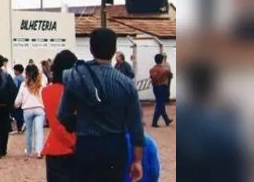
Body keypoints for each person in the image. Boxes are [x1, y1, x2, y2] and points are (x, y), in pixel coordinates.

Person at [58, 28, 145, 182]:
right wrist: (137, 160)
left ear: (91, 49)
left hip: (86, 144)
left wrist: (79, 126)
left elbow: (63, 114)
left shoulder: (75, 77)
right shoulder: (126, 84)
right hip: (115, 145)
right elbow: (136, 126)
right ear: (114, 50)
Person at [42, 50, 78, 182]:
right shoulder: (76, 90)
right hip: (75, 147)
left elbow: (55, 123)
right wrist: (74, 143)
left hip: (55, 148)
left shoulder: (46, 91)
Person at [14, 64, 46, 158]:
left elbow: (18, 99)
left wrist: (16, 105)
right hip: (39, 109)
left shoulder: (24, 84)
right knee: (39, 130)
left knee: (29, 131)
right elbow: (45, 96)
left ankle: (29, 151)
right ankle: (39, 151)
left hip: (27, 109)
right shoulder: (41, 84)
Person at [149, 54, 173, 127]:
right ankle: (154, 122)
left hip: (155, 87)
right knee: (160, 104)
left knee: (160, 103)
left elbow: (151, 77)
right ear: (162, 60)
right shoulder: (165, 70)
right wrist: (168, 88)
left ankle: (166, 120)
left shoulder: (152, 69)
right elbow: (170, 77)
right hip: (163, 87)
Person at [12, 63, 27, 133]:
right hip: (24, 98)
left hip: (17, 97)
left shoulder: (16, 78)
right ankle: (23, 125)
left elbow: (14, 88)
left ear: (18, 71)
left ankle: (20, 128)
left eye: (15, 70)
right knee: (22, 112)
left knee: (17, 114)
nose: (14, 72)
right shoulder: (24, 78)